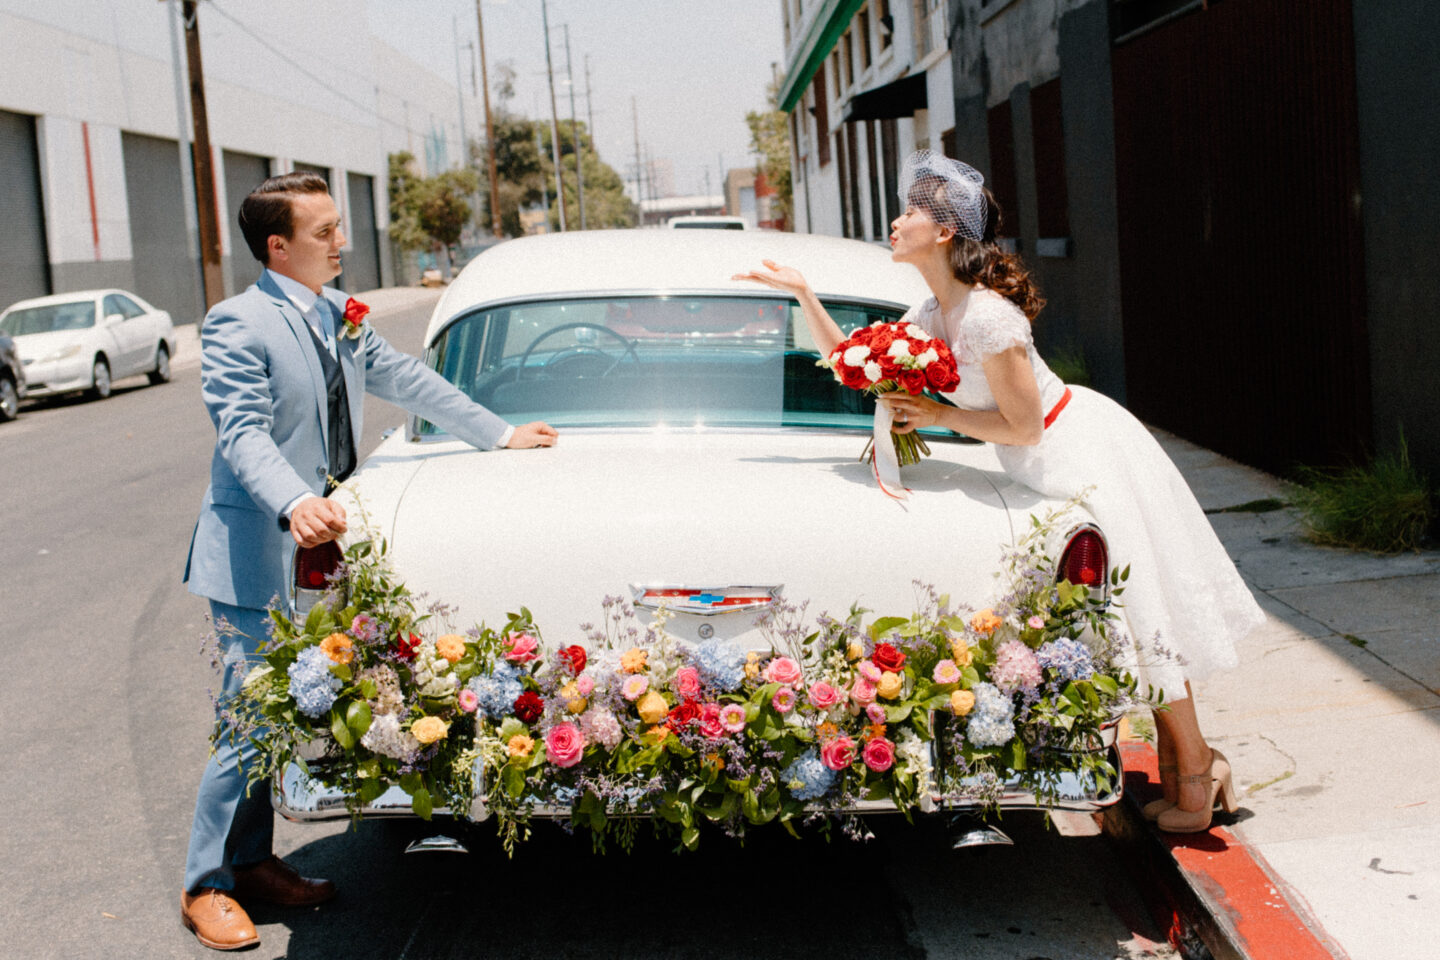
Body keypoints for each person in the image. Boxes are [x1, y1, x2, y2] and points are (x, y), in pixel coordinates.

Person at [734, 149, 1261, 835]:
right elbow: (856, 364)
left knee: (1142, 613)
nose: (895, 222)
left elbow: (1026, 424)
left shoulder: (986, 317)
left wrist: (942, 415)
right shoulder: (932, 310)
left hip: (1081, 453)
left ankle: (1194, 774)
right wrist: (805, 295)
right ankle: (1193, 764)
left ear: (945, 232)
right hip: (1039, 465)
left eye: (910, 213)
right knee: (1128, 619)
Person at [180, 172, 557, 950]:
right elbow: (242, 432)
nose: (340, 243)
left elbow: (407, 378)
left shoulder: (336, 314)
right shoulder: (235, 324)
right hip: (259, 548)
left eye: (338, 228)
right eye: (323, 233)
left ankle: (251, 864)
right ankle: (206, 885)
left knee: (281, 713)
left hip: (324, 545)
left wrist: (498, 431)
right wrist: (294, 500)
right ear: (277, 246)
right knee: (248, 718)